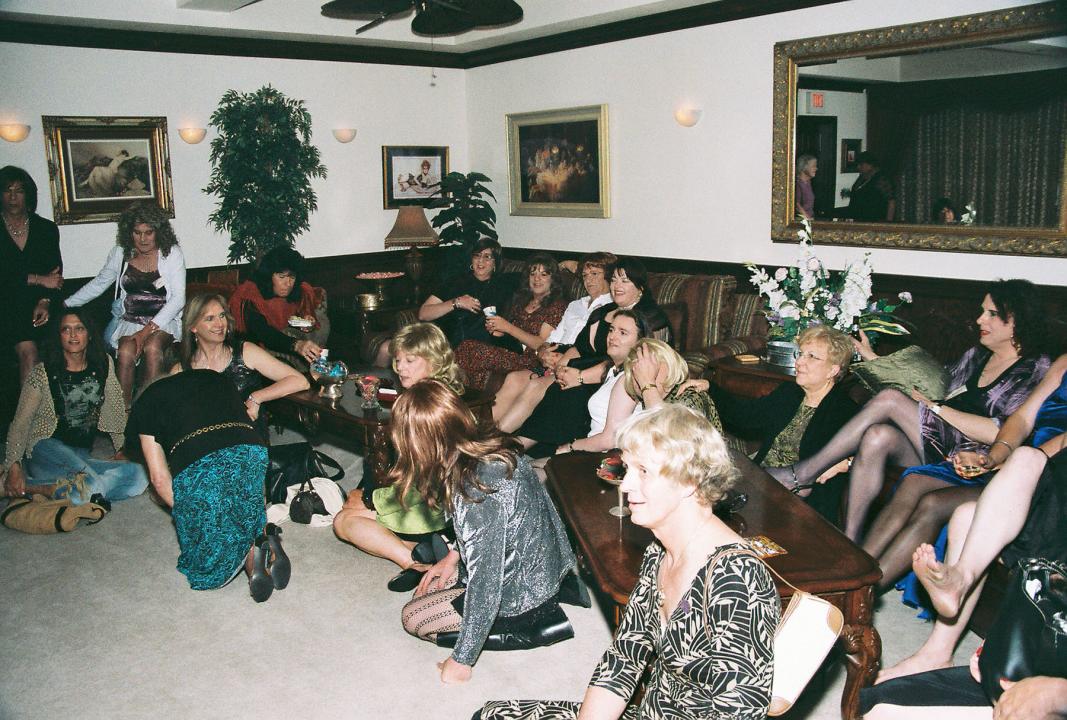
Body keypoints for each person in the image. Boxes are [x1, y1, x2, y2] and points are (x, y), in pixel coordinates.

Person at [476, 404, 780, 719]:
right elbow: (626, 655)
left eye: (643, 471)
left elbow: (741, 710)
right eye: (628, 468)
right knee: (492, 715)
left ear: (689, 481)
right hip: (650, 713)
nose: (625, 484)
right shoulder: (659, 551)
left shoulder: (736, 579)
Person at [768, 280, 1050, 542]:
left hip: (974, 455)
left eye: (991, 314)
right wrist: (874, 359)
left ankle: (804, 473)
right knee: (877, 436)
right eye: (982, 312)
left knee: (890, 399)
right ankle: (850, 543)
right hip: (937, 441)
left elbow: (1000, 431)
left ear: (1016, 320)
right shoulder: (978, 355)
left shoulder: (1035, 368)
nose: (979, 320)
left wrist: (937, 409)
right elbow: (936, 386)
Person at [877, 354, 1067, 683]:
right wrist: (994, 457)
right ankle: (936, 653)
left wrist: (1013, 466)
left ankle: (960, 578)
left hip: (1056, 499)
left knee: (1026, 459)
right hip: (1039, 477)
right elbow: (1024, 420)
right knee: (965, 516)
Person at [394, 381, 578, 684]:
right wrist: (453, 557)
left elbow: (486, 579)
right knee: (434, 582)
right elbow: (492, 531)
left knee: (414, 617)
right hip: (545, 565)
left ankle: (535, 628)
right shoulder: (491, 448)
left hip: (525, 591)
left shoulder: (474, 488)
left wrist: (462, 659)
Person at [127, 369, 287, 603]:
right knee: (244, 507)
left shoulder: (147, 401)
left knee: (208, 567)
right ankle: (262, 540)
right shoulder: (213, 377)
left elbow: (159, 479)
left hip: (202, 464)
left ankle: (251, 554)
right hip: (252, 451)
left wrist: (189, 515)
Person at [333, 322, 464, 592]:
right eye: (398, 360)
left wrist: (372, 501)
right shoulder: (436, 396)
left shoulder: (428, 410)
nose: (401, 367)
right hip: (433, 504)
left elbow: (426, 482)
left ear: (434, 361)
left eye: (410, 361)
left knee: (344, 522)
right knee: (353, 511)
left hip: (435, 508)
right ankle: (424, 550)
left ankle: (413, 561)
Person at [685, 325, 859, 525]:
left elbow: (874, 451)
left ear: (833, 370)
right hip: (762, 479)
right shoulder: (790, 393)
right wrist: (710, 388)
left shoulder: (844, 410)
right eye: (801, 354)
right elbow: (746, 415)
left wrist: (846, 463)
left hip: (803, 501)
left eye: (811, 357)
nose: (799, 362)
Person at [494, 257, 670, 437]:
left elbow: (626, 363)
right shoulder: (603, 310)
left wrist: (579, 376)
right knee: (524, 381)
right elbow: (579, 347)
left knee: (544, 388)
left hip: (605, 379)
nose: (617, 286)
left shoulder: (650, 318)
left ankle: (504, 441)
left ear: (640, 287)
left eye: (625, 280)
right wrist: (560, 368)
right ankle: (490, 435)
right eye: (614, 280)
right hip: (576, 367)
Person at [2, 307, 147, 504]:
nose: (73, 335)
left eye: (79, 328)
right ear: (59, 336)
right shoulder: (43, 372)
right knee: (91, 486)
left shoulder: (103, 364)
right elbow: (21, 422)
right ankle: (30, 487)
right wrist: (13, 465)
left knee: (139, 475)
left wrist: (122, 447)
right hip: (45, 448)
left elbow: (115, 411)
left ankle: (64, 489)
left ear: (89, 334)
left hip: (80, 453)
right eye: (66, 329)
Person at [65, 201, 185, 408]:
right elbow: (99, 283)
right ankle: (122, 414)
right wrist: (66, 304)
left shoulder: (171, 253)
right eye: (137, 233)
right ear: (129, 233)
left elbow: (178, 299)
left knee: (152, 347)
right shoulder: (121, 253)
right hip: (130, 320)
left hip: (163, 321)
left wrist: (145, 332)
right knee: (126, 351)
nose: (143, 239)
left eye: (149, 232)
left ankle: (149, 409)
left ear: (159, 232)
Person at [490, 251, 614, 430]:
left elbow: (599, 350)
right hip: (552, 358)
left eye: (595, 274)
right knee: (514, 378)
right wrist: (543, 352)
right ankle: (480, 432)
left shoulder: (611, 308)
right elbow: (551, 339)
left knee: (535, 385)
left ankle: (496, 436)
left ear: (609, 276)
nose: (589, 280)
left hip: (576, 364)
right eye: (585, 275)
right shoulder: (575, 305)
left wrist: (563, 359)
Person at [173, 294, 309, 436]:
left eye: (222, 316)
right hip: (208, 441)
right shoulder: (181, 370)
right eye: (210, 318)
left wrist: (256, 398)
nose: (220, 324)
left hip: (248, 439)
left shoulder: (245, 352)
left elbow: (300, 381)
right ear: (193, 327)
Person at [454, 252, 567, 389]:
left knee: (471, 349)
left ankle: (454, 393)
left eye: (543, 274)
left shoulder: (557, 305)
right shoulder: (521, 301)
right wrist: (499, 332)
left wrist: (508, 327)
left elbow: (541, 343)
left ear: (553, 279)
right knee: (467, 348)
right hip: (511, 351)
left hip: (531, 360)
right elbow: (510, 338)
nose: (537, 279)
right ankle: (465, 396)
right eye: (532, 274)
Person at [0, 165, 63, 383]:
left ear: (28, 195)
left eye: (19, 190)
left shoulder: (46, 229)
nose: (13, 197)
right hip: (5, 305)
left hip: (41, 303)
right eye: (7, 190)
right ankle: (31, 407)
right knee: (28, 350)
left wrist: (45, 301)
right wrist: (38, 279)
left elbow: (55, 275)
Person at [227, 246, 329, 367]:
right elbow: (262, 332)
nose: (288, 283)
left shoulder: (299, 290)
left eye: (292, 277)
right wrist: (296, 344)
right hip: (251, 354)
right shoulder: (250, 295)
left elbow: (291, 316)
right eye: (281, 277)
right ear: (268, 276)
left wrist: (306, 319)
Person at [417, 237, 519, 348]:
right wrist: (457, 302)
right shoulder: (455, 281)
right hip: (454, 343)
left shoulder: (504, 283)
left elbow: (530, 279)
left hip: (487, 345)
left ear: (495, 262)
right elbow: (423, 314)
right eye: (477, 255)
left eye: (487, 257)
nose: (480, 261)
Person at [845, 151, 896, 222]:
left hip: (875, 221)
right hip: (859, 220)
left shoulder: (881, 179)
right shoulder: (861, 178)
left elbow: (891, 201)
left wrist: (888, 223)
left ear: (870, 165)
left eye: (861, 164)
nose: (858, 167)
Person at [795, 153, 817, 220]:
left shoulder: (808, 182)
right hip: (801, 220)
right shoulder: (798, 184)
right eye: (813, 166)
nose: (816, 168)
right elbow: (797, 205)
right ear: (804, 167)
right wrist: (808, 218)